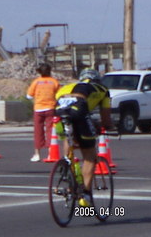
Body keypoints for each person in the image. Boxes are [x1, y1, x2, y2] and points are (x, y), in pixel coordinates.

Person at [55, 68, 113, 207]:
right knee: (89, 155)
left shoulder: (66, 86)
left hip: (58, 110)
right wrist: (108, 126)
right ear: (97, 79)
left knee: (68, 137)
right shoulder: (102, 89)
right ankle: (85, 194)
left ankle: (68, 168)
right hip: (79, 108)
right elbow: (105, 117)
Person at [27, 63, 60, 162]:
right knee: (50, 131)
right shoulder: (54, 81)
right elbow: (59, 94)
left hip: (38, 108)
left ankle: (37, 154)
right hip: (50, 107)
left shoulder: (36, 82)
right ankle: (51, 152)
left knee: (38, 131)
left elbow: (29, 95)